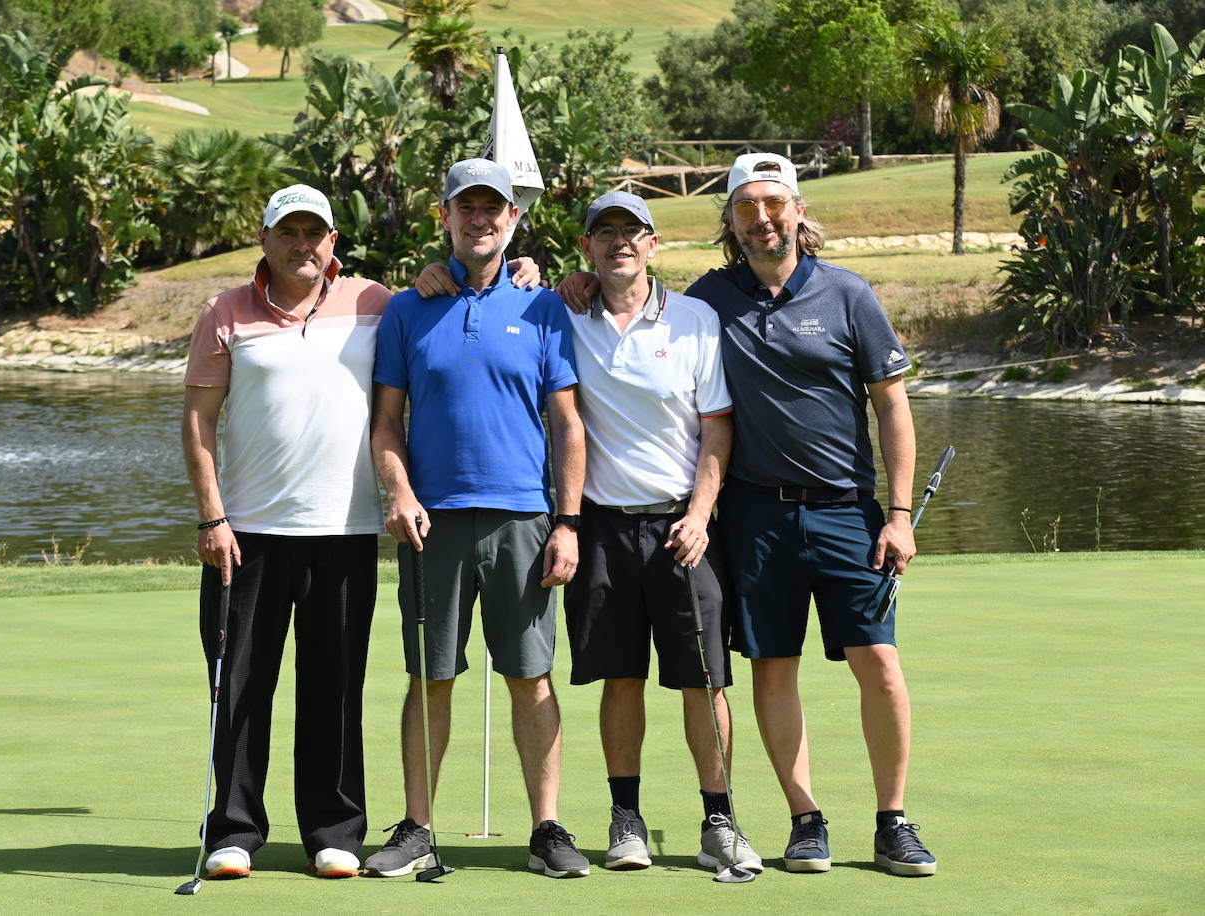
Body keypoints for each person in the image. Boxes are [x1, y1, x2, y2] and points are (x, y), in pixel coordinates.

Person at [559, 155, 937, 877]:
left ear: (796, 210)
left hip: (849, 511)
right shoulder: (712, 299)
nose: (762, 219)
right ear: (729, 222)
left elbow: (892, 407)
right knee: (771, 667)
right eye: (746, 208)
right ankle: (805, 820)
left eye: (773, 205)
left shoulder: (848, 294)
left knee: (880, 666)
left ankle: (892, 820)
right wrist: (562, 282)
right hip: (756, 515)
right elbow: (619, 289)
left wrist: (899, 513)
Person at [367, 159, 590, 879]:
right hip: (433, 521)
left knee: (532, 677)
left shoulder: (542, 305)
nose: (481, 219)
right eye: (467, 207)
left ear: (513, 219)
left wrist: (568, 522)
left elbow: (568, 425)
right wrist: (398, 492)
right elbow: (386, 423)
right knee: (431, 677)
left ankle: (548, 829)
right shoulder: (409, 307)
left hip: (524, 517)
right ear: (447, 216)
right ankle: (418, 827)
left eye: (494, 208)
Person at [181, 184, 389, 881]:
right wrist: (211, 515)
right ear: (264, 238)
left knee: (335, 685)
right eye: (289, 232)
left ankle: (333, 830)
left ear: (334, 240)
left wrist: (529, 271)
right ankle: (235, 831)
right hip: (247, 533)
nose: (304, 244)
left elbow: (452, 301)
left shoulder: (374, 303)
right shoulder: (225, 312)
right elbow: (199, 421)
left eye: (316, 232)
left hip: (347, 530)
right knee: (240, 687)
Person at [560, 191, 763, 876]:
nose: (619, 242)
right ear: (586, 248)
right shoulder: (563, 316)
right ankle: (626, 819)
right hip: (600, 532)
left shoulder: (696, 319)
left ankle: (720, 820)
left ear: (654, 244)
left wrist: (701, 514)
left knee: (704, 682)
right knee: (621, 680)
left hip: (683, 526)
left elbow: (717, 426)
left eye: (632, 231)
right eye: (604, 232)